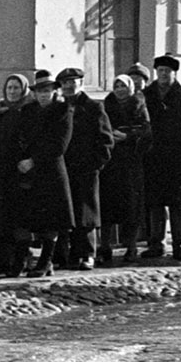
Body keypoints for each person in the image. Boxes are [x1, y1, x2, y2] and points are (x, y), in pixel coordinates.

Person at [13, 70, 73, 277]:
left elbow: (59, 144)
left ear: (55, 91)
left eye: (47, 91)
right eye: (40, 92)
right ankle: (21, 261)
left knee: (51, 220)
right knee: (26, 218)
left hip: (51, 171)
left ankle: (46, 261)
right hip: (28, 173)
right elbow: (21, 137)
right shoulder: (28, 111)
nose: (43, 95)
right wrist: (22, 159)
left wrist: (34, 160)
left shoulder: (63, 110)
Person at [142, 54, 181, 261]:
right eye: (160, 71)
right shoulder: (146, 95)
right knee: (155, 203)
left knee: (176, 203)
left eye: (167, 71)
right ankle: (156, 244)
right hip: (154, 157)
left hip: (178, 158)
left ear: (174, 73)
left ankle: (179, 244)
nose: (164, 74)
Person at [57, 67, 113, 270]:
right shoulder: (58, 106)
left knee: (86, 213)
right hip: (64, 168)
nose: (69, 86)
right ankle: (68, 254)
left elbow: (106, 140)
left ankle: (88, 253)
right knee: (67, 212)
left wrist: (95, 164)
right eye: (65, 83)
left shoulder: (92, 107)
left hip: (86, 168)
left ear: (81, 83)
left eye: (73, 82)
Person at [99, 74, 151, 266]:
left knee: (131, 206)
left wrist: (128, 136)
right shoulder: (106, 105)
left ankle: (131, 247)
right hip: (111, 163)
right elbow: (100, 127)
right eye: (117, 85)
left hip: (131, 163)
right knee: (108, 206)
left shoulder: (138, 105)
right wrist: (111, 135)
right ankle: (105, 247)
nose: (120, 89)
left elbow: (147, 131)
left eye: (123, 86)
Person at [0, 73, 34, 276]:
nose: (12, 92)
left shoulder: (29, 111)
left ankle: (21, 259)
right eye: (9, 88)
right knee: (7, 218)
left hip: (23, 170)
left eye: (16, 88)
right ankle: (8, 261)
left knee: (22, 219)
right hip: (3, 170)